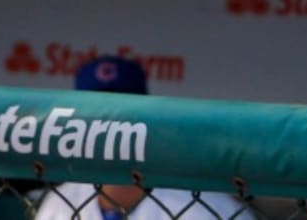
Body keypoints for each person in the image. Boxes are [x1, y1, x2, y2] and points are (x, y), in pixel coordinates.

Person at [35, 56, 246, 220]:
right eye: (96, 112)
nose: (109, 125)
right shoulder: (61, 202)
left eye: (121, 111)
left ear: (147, 117)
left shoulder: (205, 206)